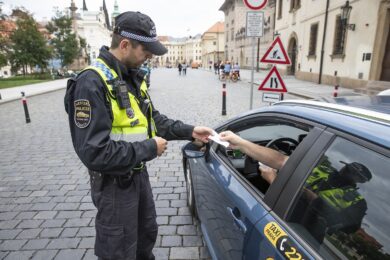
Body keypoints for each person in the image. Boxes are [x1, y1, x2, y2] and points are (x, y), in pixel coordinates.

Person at [64, 11, 213, 260]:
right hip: (113, 186)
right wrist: (149, 148)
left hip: (136, 175)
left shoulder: (130, 76)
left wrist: (189, 131)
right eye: (146, 51)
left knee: (145, 238)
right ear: (125, 45)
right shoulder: (91, 83)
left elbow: (152, 119)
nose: (150, 57)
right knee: (120, 251)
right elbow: (94, 152)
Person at [220, 131, 370, 243]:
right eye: (347, 167)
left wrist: (274, 180)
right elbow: (281, 160)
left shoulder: (358, 202)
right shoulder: (323, 168)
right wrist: (240, 143)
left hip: (302, 233)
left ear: (359, 180)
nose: (345, 171)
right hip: (283, 217)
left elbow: (348, 228)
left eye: (351, 172)